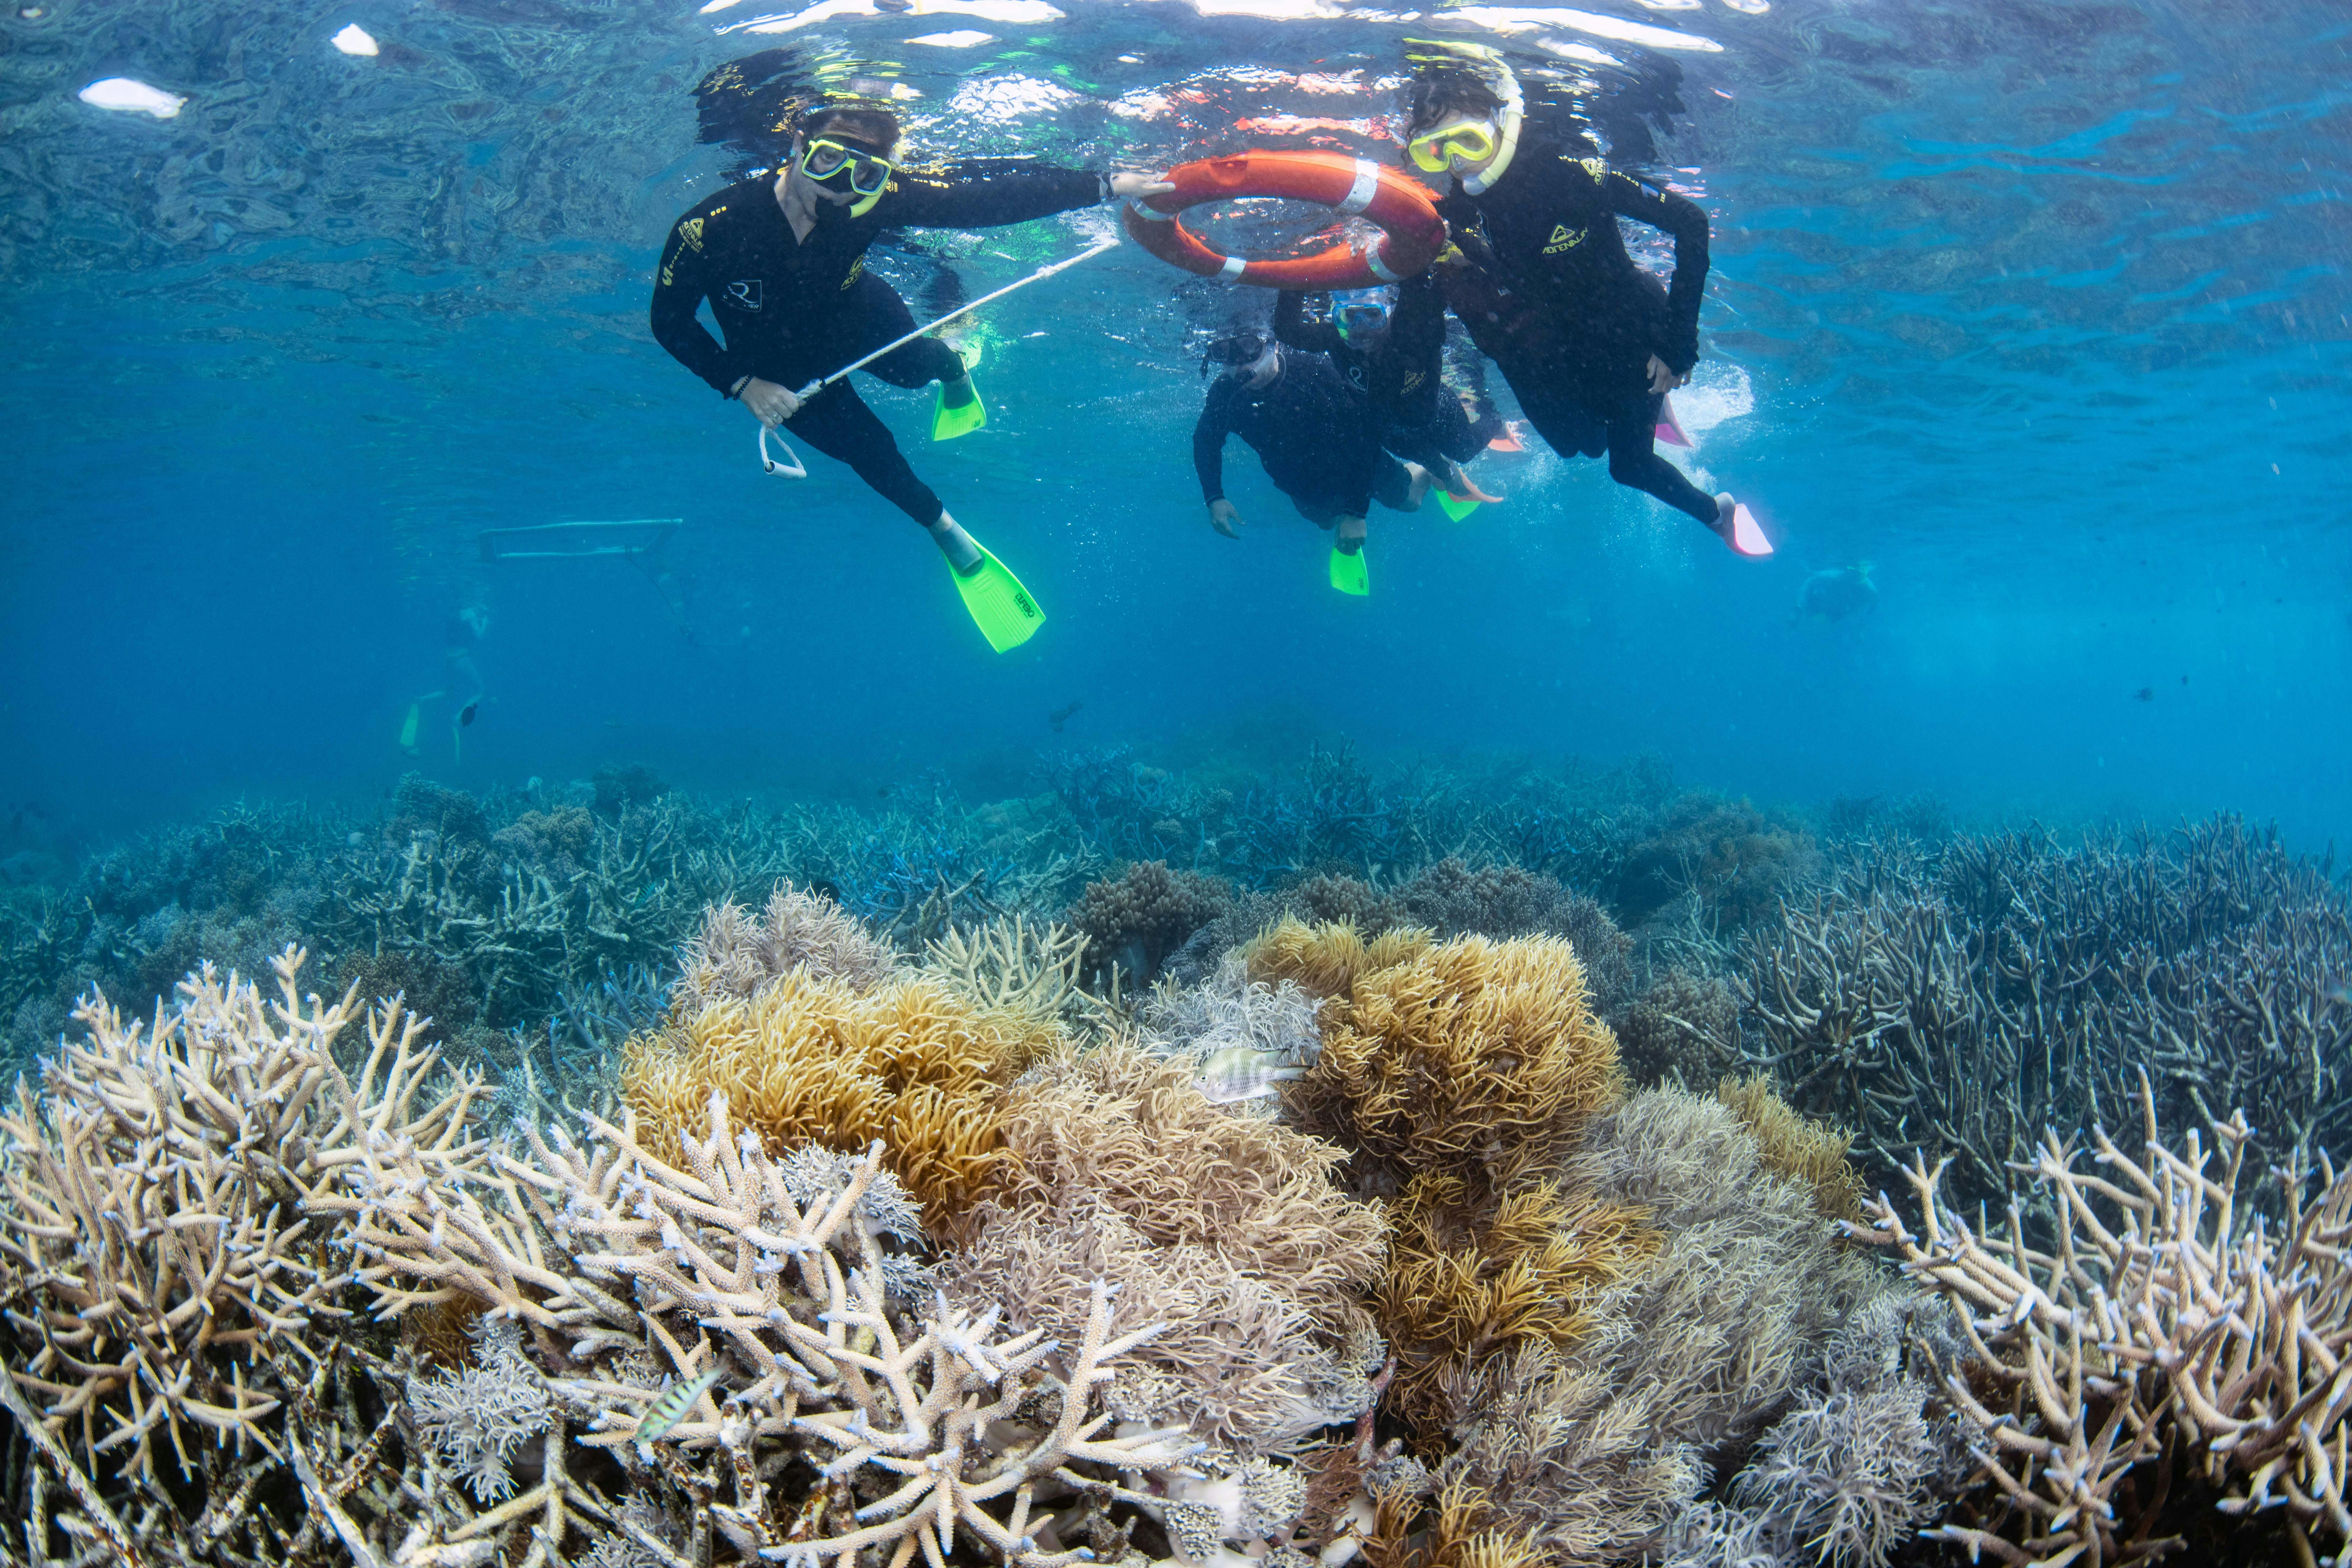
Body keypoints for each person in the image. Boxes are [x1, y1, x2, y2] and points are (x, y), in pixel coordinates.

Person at [649, 101, 1169, 647]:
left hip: (858, 315)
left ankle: (952, 367)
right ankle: (944, 530)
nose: (840, 188)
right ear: (798, 148)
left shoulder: (877, 200)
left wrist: (1110, 184)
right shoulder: (712, 225)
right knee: (869, 450)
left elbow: (987, 201)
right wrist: (742, 384)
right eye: (827, 161)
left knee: (915, 372)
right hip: (773, 364)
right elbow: (669, 321)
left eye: (865, 173)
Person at [1403, 42, 1771, 556]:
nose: (1458, 162)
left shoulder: (1568, 169)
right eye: (1436, 151)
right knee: (1578, 446)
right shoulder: (1465, 200)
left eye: (1466, 140)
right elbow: (1515, 266)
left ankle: (1719, 515)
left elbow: (1691, 222)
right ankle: (1649, 407)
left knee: (1628, 467)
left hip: (1633, 330)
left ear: (1499, 122)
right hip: (1563, 337)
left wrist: (1678, 344)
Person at [1192, 328, 1434, 586]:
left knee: (1411, 501)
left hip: (1358, 464)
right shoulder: (1224, 394)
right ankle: (1341, 522)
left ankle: (1431, 468)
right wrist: (1214, 497)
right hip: (1301, 483)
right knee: (1326, 522)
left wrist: (1355, 513)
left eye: (1249, 346)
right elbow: (1206, 440)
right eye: (1224, 353)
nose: (1239, 363)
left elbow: (1364, 438)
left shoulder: (1316, 372)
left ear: (1272, 344)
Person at [1271, 277, 1503, 506]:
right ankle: (1445, 473)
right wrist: (1297, 278)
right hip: (1390, 428)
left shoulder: (1411, 330)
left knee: (1463, 451)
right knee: (1422, 454)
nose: (1361, 328)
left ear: (1390, 312)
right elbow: (1287, 330)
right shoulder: (1337, 339)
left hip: (1435, 412)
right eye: (1349, 317)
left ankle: (1496, 421)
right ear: (1337, 317)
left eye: (1374, 315)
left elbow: (1418, 286)